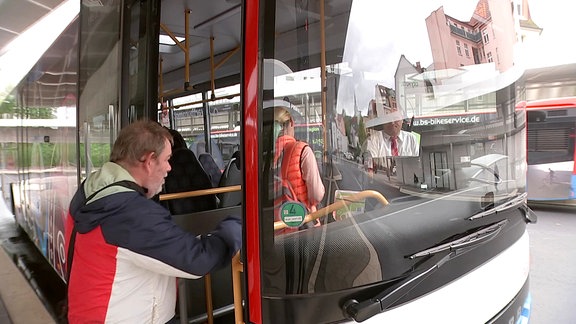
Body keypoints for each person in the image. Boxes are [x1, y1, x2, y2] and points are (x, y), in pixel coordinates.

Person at [65, 120, 241, 324]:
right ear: (149, 161)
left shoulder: (92, 188)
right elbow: (197, 260)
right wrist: (238, 226)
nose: (169, 168)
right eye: (167, 159)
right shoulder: (131, 213)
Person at [273, 106, 325, 233]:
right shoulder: (302, 150)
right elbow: (316, 195)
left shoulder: (263, 156)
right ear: (291, 122)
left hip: (274, 230)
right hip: (301, 228)